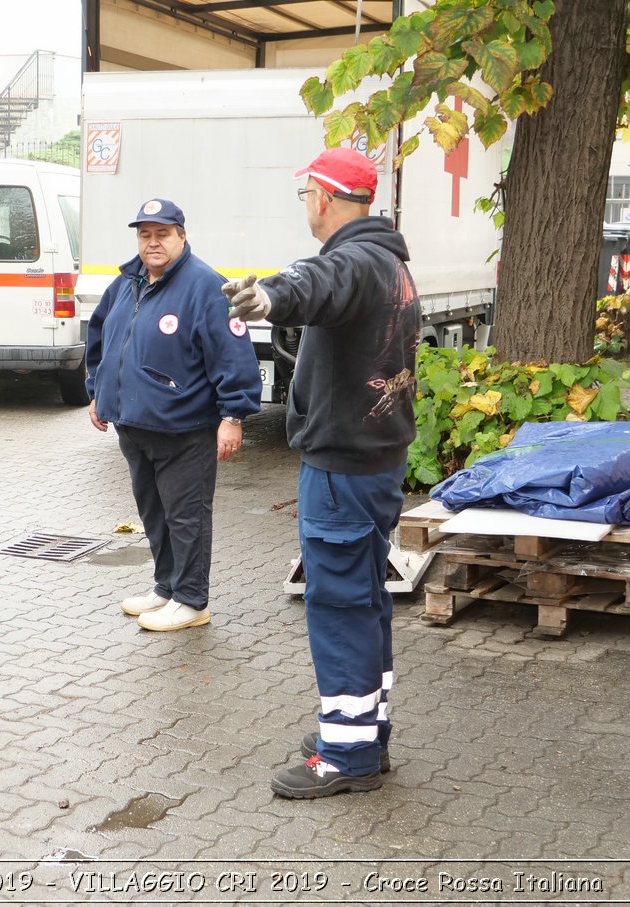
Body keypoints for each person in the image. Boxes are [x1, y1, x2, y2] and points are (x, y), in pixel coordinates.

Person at [221, 148, 420, 799]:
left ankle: (347, 752)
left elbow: (316, 283)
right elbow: (326, 286)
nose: (306, 202)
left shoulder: (355, 260)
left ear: (326, 199)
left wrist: (269, 295)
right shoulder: (390, 262)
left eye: (307, 192)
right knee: (364, 602)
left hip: (342, 467)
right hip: (376, 461)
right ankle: (365, 730)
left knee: (338, 606)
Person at [85, 198, 262, 631]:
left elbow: (233, 356)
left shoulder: (205, 287)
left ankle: (191, 600)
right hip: (134, 424)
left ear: (182, 236)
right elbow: (101, 335)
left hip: (185, 429)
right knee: (154, 514)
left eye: (162, 233)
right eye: (145, 234)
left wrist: (233, 416)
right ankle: (165, 587)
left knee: (187, 517)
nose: (152, 242)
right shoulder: (127, 282)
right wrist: (97, 391)